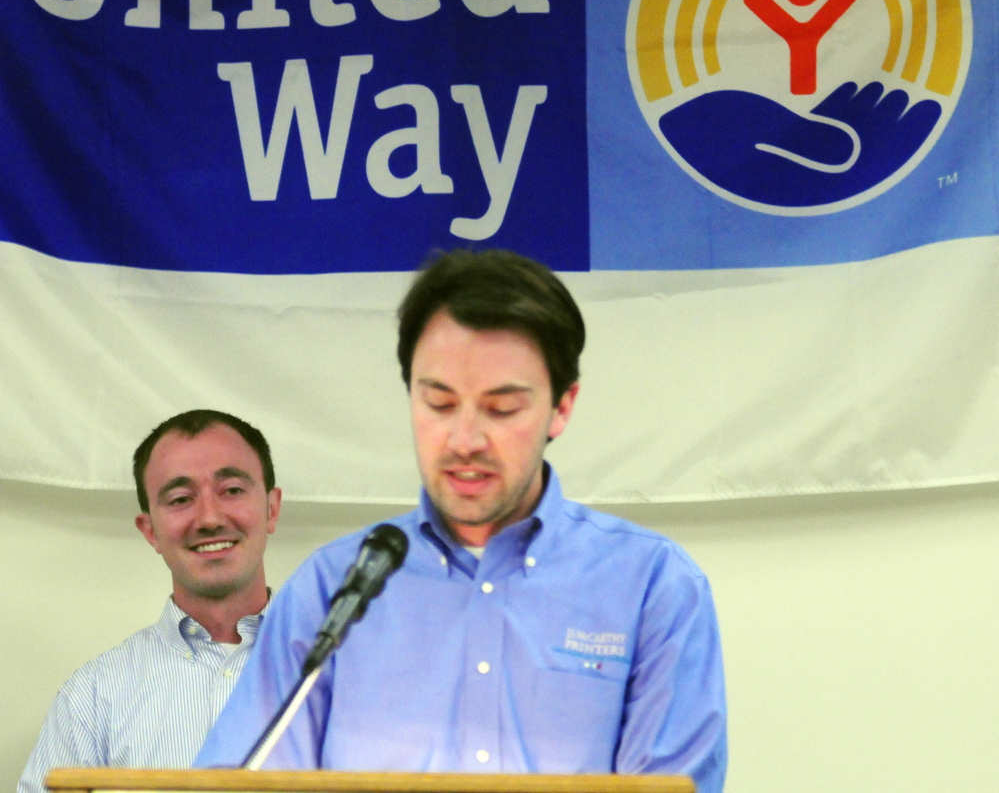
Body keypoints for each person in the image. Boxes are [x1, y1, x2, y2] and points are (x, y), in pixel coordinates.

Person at [197, 250, 727, 791]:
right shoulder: (332, 586)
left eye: (501, 409)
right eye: (440, 404)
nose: (466, 441)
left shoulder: (652, 585)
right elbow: (238, 781)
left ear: (562, 407)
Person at [18, 410, 282, 793]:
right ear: (150, 531)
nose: (209, 518)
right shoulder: (93, 698)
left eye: (233, 490)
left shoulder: (353, 676)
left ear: (271, 509)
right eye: (180, 498)